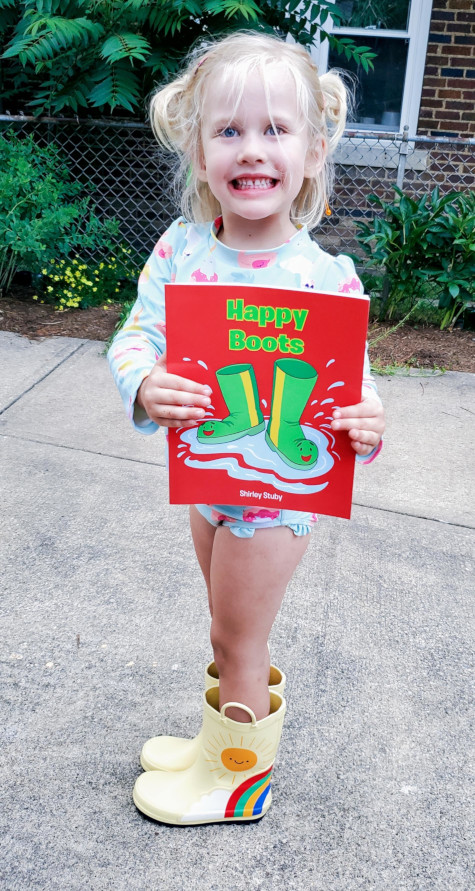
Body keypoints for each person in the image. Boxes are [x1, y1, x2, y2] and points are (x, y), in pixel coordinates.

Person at [108, 30, 385, 826]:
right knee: (229, 628)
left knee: (237, 635)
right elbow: (134, 337)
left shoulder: (325, 277)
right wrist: (146, 382)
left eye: (274, 130)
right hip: (208, 481)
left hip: (276, 496)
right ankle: (212, 746)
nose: (251, 149)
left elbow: (350, 384)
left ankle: (237, 783)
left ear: (311, 151)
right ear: (199, 154)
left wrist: (369, 417)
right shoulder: (181, 249)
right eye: (228, 131)